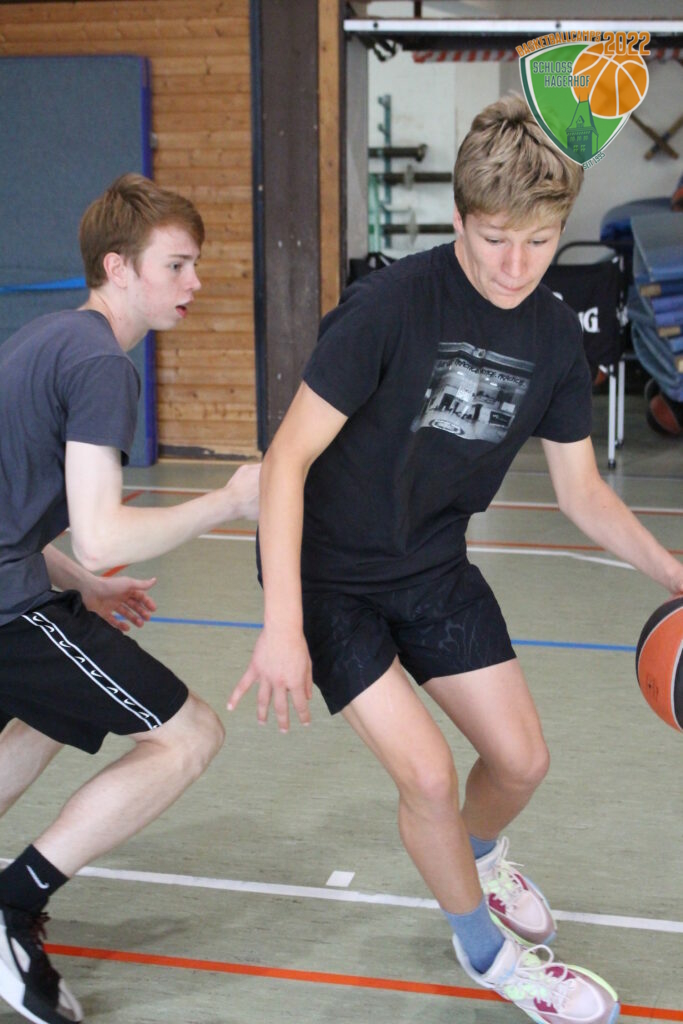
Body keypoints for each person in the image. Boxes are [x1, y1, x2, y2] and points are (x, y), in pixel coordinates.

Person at [229, 95, 683, 1024]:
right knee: (429, 776)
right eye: (493, 240)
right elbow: (285, 462)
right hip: (327, 578)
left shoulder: (552, 336)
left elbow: (582, 493)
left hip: (432, 564)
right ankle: (488, 954)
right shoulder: (389, 306)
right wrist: (282, 626)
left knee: (520, 762)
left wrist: (674, 573)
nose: (515, 266)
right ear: (458, 218)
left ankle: (473, 855)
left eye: (539, 242)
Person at [0, 173, 260, 1024]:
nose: (194, 282)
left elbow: (25, 518)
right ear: (118, 267)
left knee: (50, 710)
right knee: (188, 734)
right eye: (176, 265)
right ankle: (11, 907)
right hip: (6, 603)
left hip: (15, 584)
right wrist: (229, 501)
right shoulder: (100, 364)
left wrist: (87, 586)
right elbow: (102, 530)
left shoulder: (46, 338)